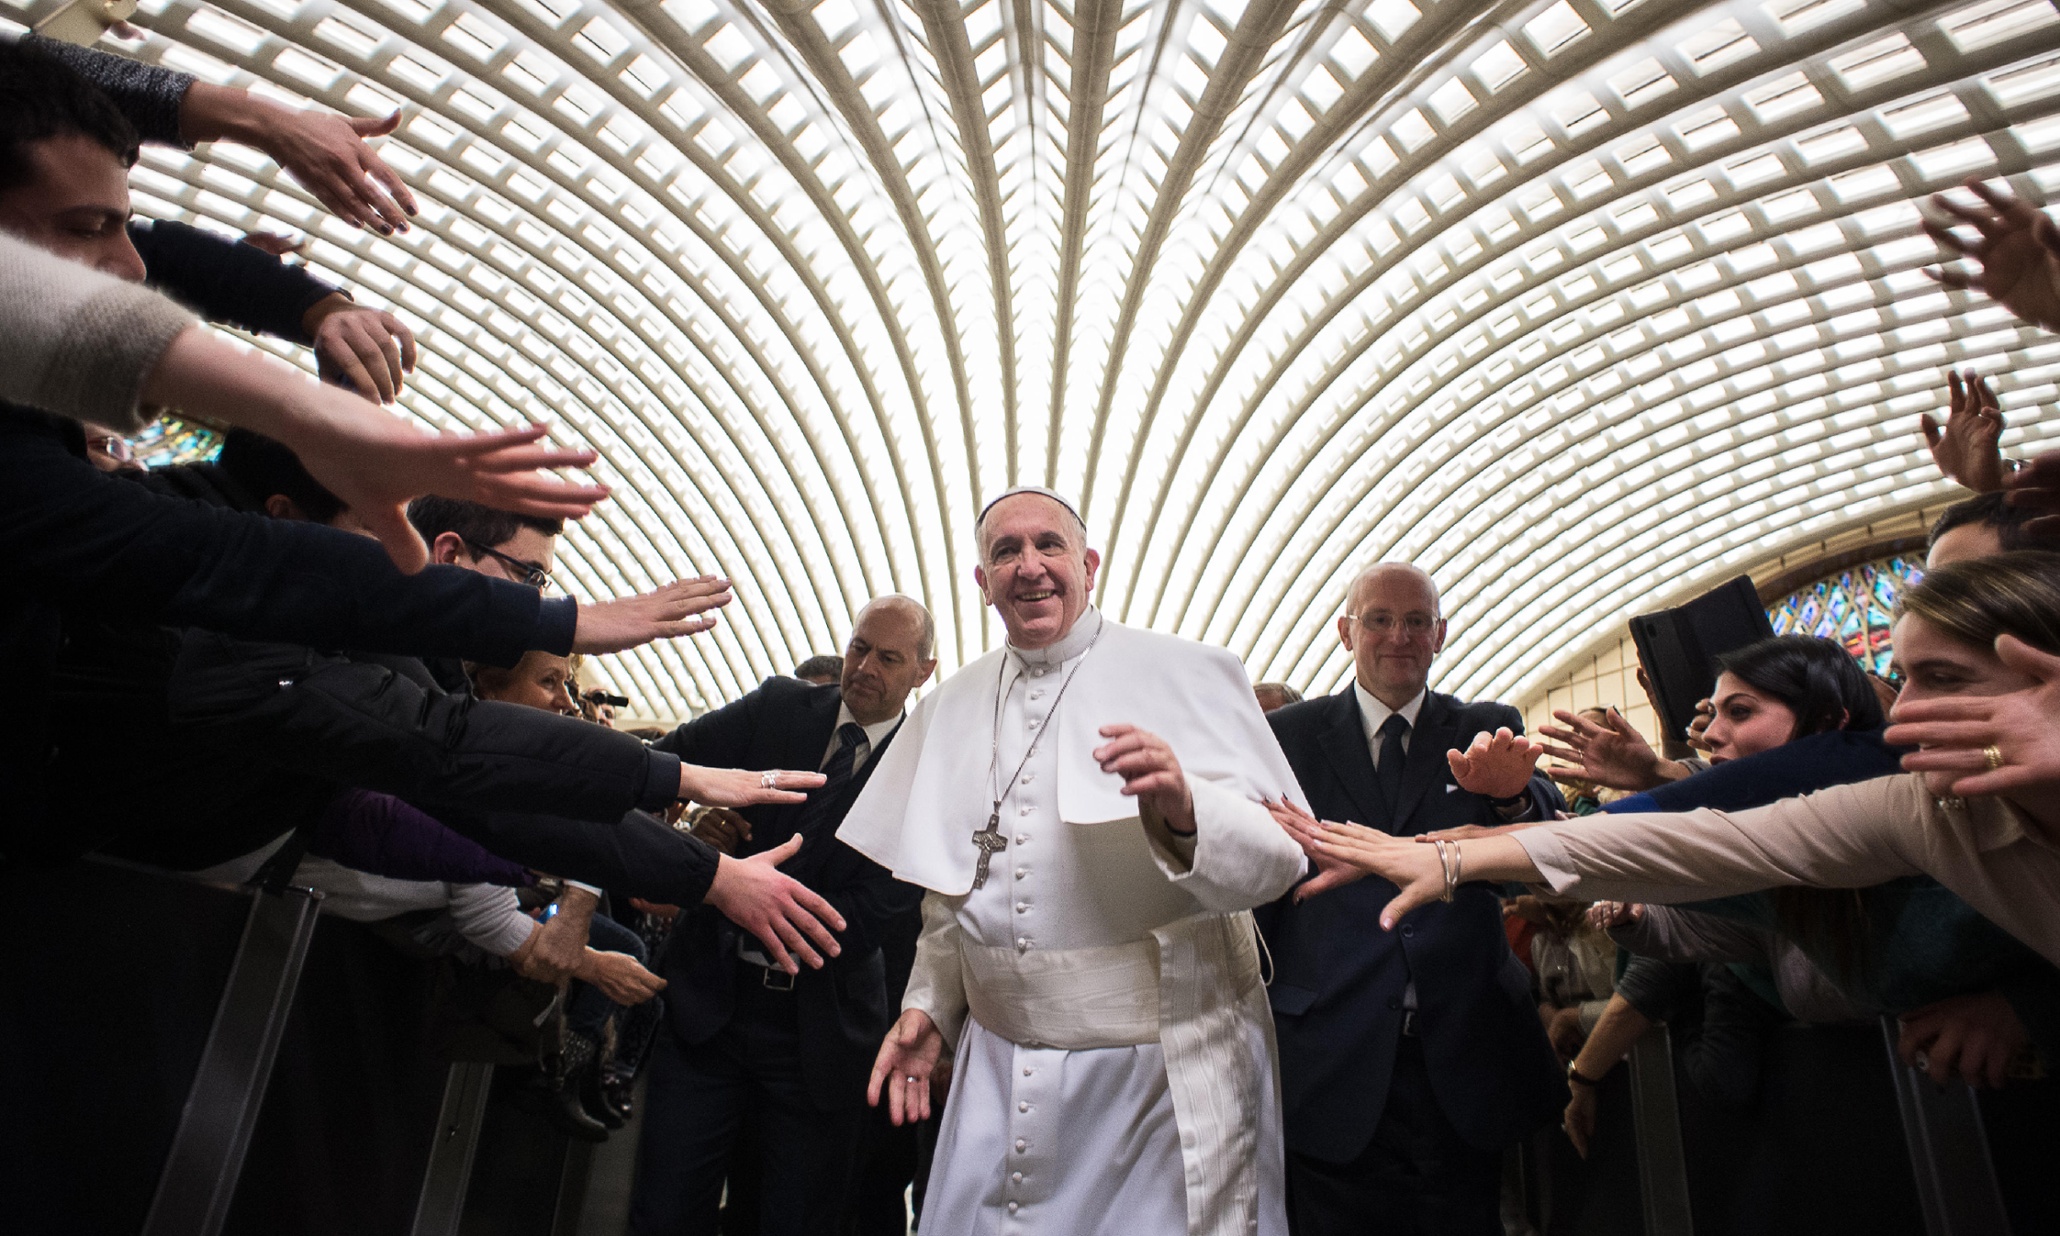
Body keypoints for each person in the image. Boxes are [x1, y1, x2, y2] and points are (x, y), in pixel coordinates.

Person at [843, 487, 1307, 1236]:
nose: (1030, 566)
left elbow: (1280, 862)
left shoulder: (1188, 673)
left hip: (1156, 1085)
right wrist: (931, 1004)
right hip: (996, 1077)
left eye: (1049, 546)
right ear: (982, 582)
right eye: (1006, 552)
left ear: (1089, 565)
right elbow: (951, 896)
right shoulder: (948, 707)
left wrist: (1190, 811)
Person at [1292, 552, 2060, 970]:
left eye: (1945, 680)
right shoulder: (1920, 811)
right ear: (1345, 631)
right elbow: (1702, 841)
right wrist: (1453, 857)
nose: (1907, 710)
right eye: (1904, 676)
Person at [1258, 563, 1565, 1236]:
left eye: (1417, 621)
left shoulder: (1486, 727)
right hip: (1331, 1054)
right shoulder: (1289, 738)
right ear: (1346, 632)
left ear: (1440, 635)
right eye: (1380, 620)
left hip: (1463, 1053)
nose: (1399, 636)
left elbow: (1548, 847)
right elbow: (1261, 890)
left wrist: (1512, 795)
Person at [629, 597, 935, 1235]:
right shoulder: (778, 708)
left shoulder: (930, 774)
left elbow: (880, 910)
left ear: (923, 672)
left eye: (889, 657)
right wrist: (685, 836)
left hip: (817, 1037)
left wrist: (741, 894)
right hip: (711, 1008)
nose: (866, 667)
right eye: (859, 648)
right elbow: (668, 761)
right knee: (664, 1211)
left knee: (790, 1220)